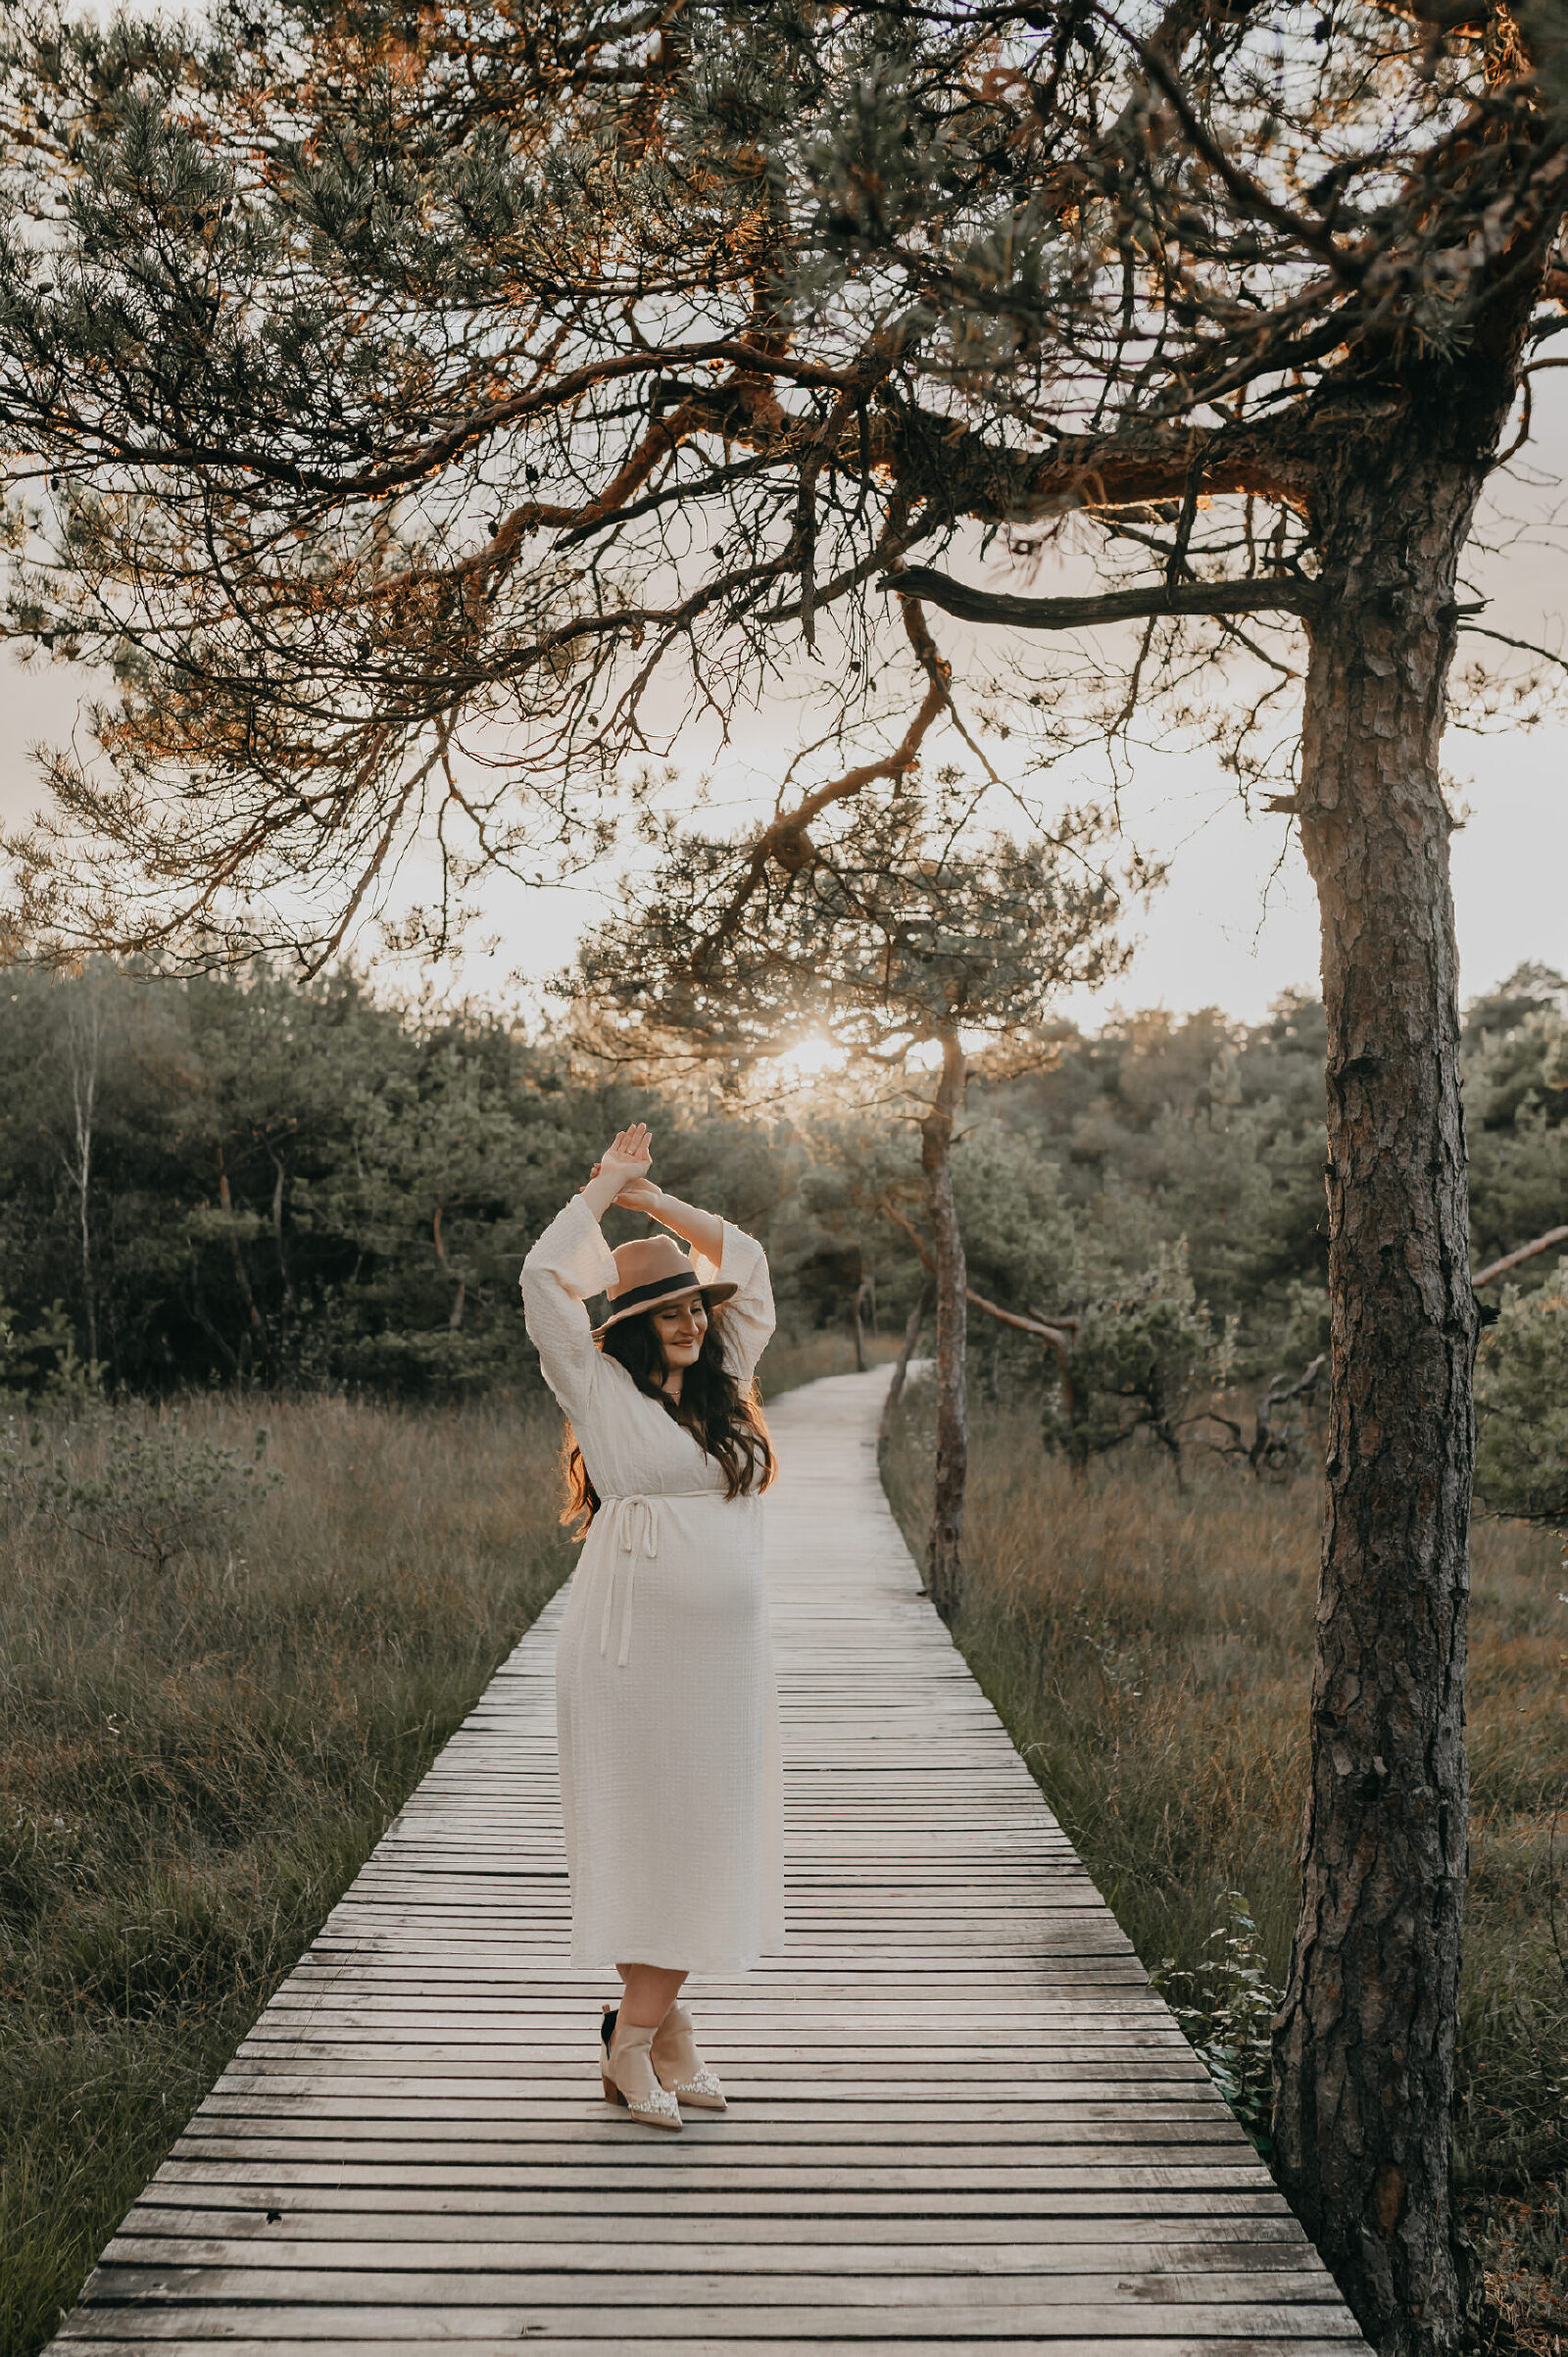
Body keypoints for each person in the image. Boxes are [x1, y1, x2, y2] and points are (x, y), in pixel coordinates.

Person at [520, 1123, 783, 2130]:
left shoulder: (726, 1384)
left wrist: (657, 1204)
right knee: (654, 1838)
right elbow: (545, 1277)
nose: (685, 1319)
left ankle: (660, 2031)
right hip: (631, 1656)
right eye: (664, 1308)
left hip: (723, 1662)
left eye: (691, 1305)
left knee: (706, 1834)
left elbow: (748, 1267)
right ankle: (633, 2043)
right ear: (629, 1320)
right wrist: (602, 1192)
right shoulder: (598, 1390)